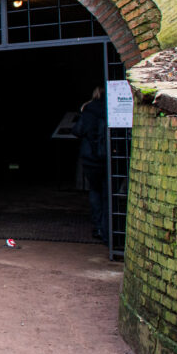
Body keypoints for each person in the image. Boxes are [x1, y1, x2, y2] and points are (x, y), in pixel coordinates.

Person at [72, 85, 108, 241]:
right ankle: (109, 230)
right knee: (108, 192)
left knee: (95, 191)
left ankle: (99, 227)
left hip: (90, 157)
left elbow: (77, 130)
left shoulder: (88, 110)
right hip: (109, 156)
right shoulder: (112, 109)